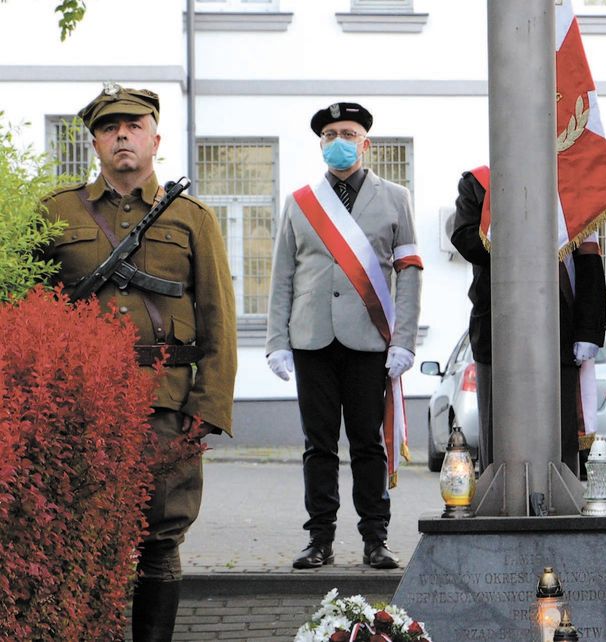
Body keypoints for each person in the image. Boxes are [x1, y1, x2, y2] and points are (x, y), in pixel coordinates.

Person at [40, 83, 237, 642]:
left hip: (165, 401)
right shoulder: (56, 212)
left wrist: (207, 408)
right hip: (79, 401)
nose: (121, 135)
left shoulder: (192, 217)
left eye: (133, 126)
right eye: (109, 128)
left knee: (160, 539)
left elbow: (218, 315)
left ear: (156, 138)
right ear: (95, 143)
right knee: (82, 533)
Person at [266, 102, 422, 571]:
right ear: (320, 144)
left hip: (369, 342)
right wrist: (276, 340)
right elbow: (282, 276)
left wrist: (404, 340)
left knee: (367, 444)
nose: (339, 141)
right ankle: (319, 540)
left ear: (365, 142)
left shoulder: (395, 198)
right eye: (330, 133)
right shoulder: (300, 201)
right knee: (319, 446)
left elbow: (410, 272)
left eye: (348, 133)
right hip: (311, 340)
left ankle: (376, 539)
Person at [450, 166, 606, 475]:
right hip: (497, 327)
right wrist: (522, 230)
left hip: (560, 329)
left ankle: (563, 503)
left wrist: (590, 331)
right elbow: (466, 240)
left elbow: (589, 263)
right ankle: (499, 506)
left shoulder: (571, 188)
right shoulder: (479, 183)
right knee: (498, 432)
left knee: (561, 433)